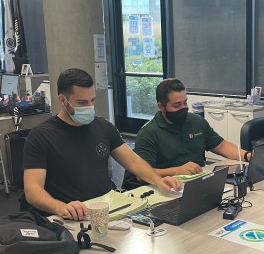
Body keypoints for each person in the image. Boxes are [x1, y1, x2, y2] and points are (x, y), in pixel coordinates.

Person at [22, 68, 182, 220]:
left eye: (92, 100)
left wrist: (158, 180)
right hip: (70, 216)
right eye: (82, 102)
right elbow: (33, 190)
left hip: (108, 210)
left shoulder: (103, 127)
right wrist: (61, 207)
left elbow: (133, 162)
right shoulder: (41, 136)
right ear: (63, 100)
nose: (89, 107)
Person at [123, 78, 251, 187]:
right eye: (177, 105)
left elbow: (222, 146)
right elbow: (141, 175)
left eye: (185, 103)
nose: (183, 108)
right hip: (167, 189)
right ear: (161, 107)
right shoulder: (148, 133)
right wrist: (176, 171)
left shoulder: (196, 121)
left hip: (198, 184)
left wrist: (248, 156)